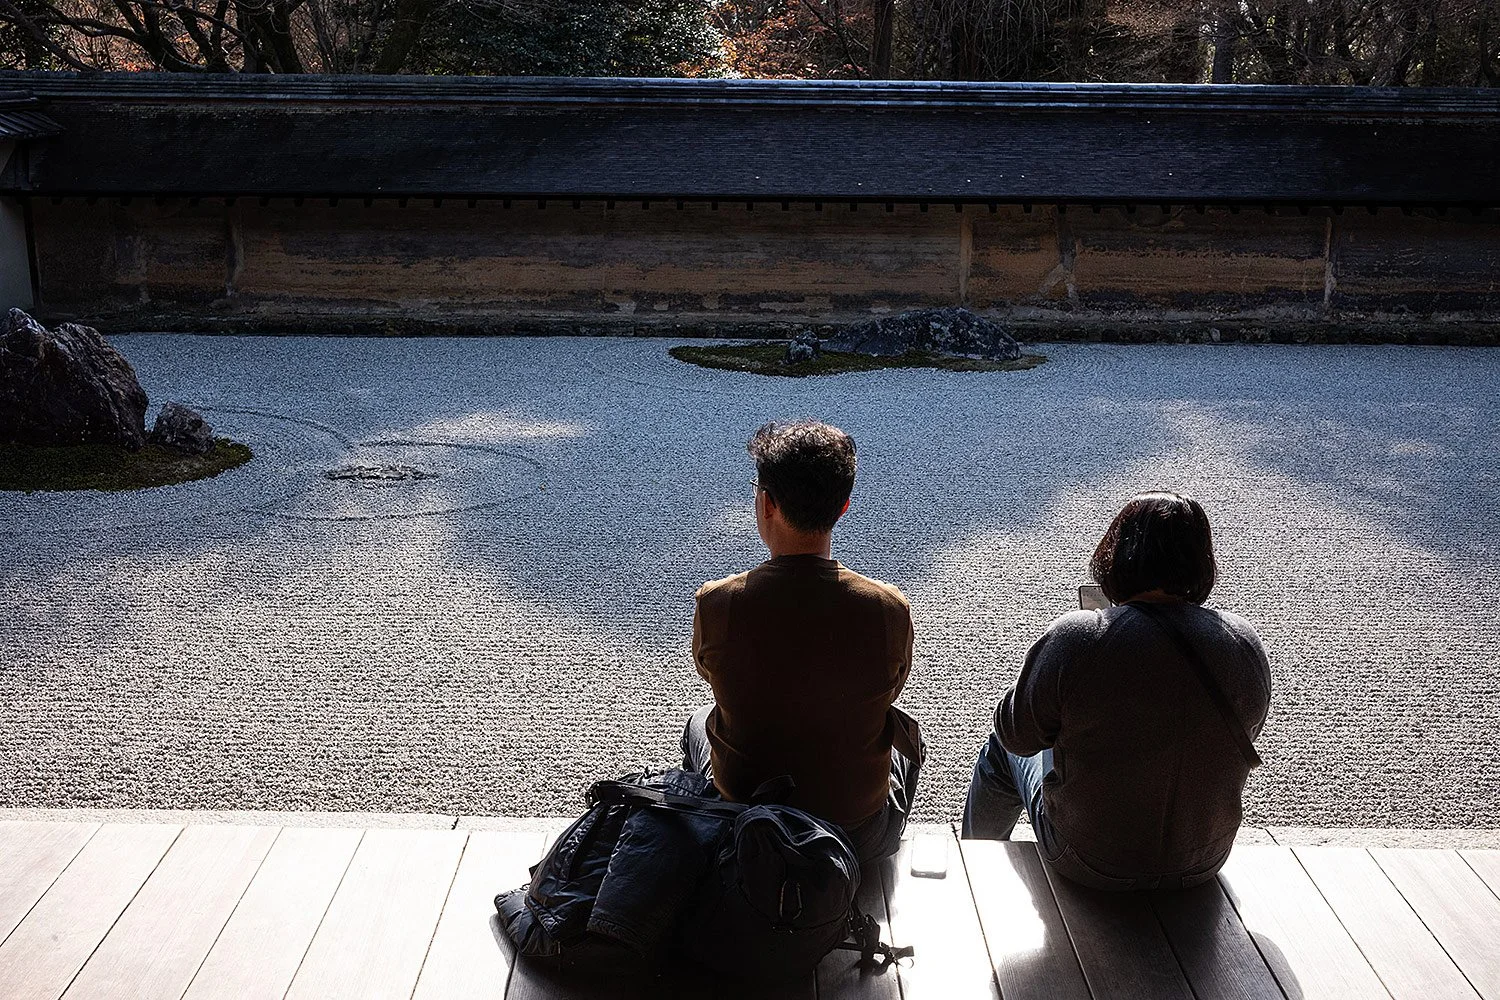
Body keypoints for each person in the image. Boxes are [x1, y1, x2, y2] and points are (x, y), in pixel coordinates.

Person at [962, 491, 1271, 890]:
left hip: (1091, 858)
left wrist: (1050, 663)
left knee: (1000, 750)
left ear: (1116, 555)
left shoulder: (1081, 636)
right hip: (1204, 858)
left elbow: (1017, 734)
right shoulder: (1243, 641)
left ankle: (972, 868)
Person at [682, 420, 921, 864]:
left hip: (748, 822)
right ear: (844, 506)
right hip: (856, 835)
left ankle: (712, 846)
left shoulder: (718, 603)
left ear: (767, 502)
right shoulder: (888, 608)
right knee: (899, 737)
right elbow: (892, 685)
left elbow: (711, 672)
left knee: (701, 721)